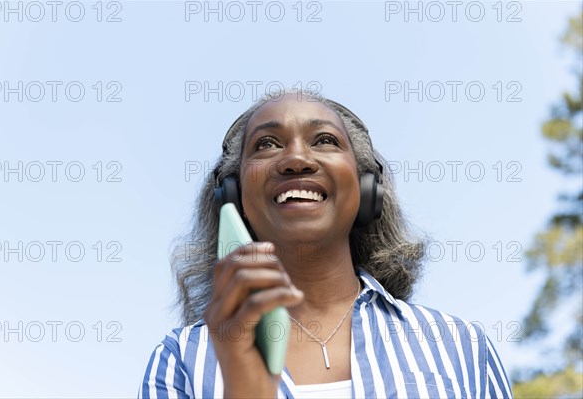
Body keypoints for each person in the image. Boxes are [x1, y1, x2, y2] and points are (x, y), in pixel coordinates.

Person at [138, 90, 513, 398]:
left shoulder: (460, 345)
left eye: (325, 140)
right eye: (266, 144)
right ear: (233, 199)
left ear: (367, 190)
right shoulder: (182, 360)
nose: (297, 159)